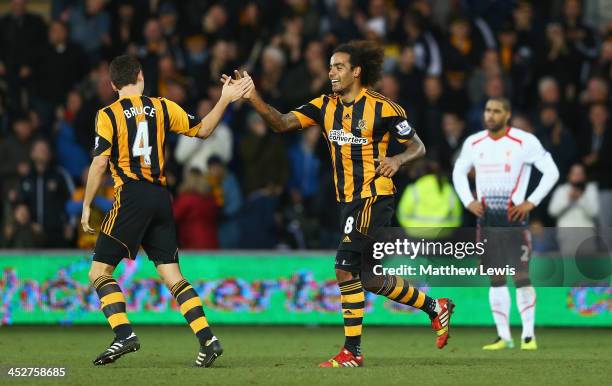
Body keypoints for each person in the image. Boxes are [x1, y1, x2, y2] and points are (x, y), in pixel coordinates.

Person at [224, 40, 454, 368]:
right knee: (371, 279)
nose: (331, 72)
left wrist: (398, 159)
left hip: (374, 196)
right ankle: (435, 307)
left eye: (339, 66)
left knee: (344, 267)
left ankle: (352, 352)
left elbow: (418, 146)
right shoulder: (324, 105)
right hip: (347, 200)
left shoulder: (384, 108)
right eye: (330, 66)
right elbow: (281, 123)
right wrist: (252, 97)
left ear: (356, 71)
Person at [81, 55, 251, 367]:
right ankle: (208, 339)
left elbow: (100, 162)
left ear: (113, 85)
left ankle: (123, 334)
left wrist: (87, 204)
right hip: (161, 197)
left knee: (99, 271)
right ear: (141, 77)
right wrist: (225, 99)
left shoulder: (107, 115)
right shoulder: (162, 106)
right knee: (172, 275)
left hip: (131, 195)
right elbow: (203, 130)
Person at [452, 97, 560, 351]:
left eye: (496, 111)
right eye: (488, 110)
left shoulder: (525, 141)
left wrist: (531, 202)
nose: (490, 115)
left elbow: (552, 171)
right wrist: (469, 201)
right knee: (495, 277)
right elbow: (458, 171)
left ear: (507, 115)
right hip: (486, 221)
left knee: (521, 275)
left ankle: (528, 336)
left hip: (514, 220)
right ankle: (503, 336)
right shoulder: (474, 142)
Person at [548, 163, 599, 257]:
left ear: (585, 176)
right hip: (567, 235)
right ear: (569, 175)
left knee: (588, 268)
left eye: (580, 174)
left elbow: (594, 212)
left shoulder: (591, 189)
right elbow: (552, 211)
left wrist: (581, 198)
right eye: (575, 174)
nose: (578, 177)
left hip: (587, 235)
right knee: (570, 267)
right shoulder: (561, 190)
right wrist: (568, 200)